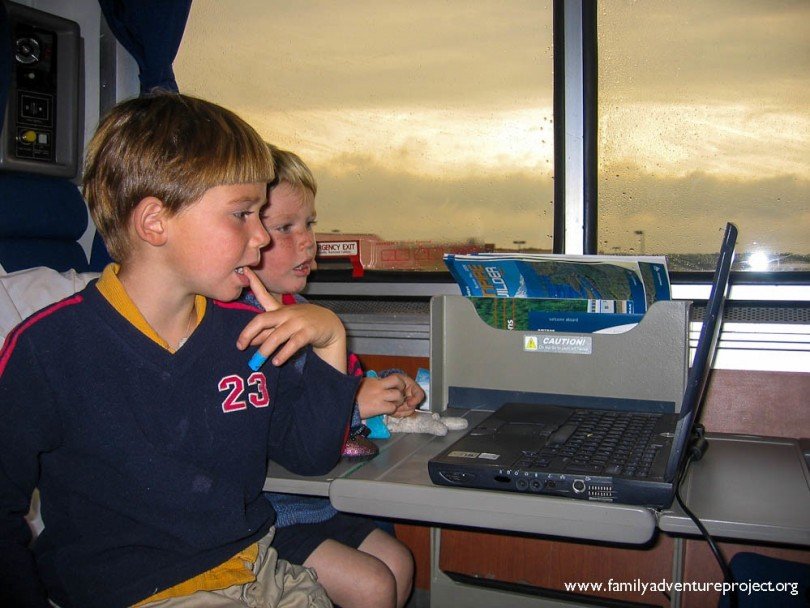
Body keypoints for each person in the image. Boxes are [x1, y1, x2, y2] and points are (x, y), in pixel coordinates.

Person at [0, 92, 361, 608]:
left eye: (261, 214)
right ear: (155, 223)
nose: (260, 237)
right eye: (242, 214)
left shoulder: (246, 331)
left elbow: (309, 456)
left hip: (259, 570)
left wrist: (330, 339)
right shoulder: (50, 349)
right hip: (142, 592)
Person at [244, 145, 421, 608]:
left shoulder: (305, 313)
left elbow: (346, 385)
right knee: (373, 584)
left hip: (316, 503)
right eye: (285, 228)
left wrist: (382, 393)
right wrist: (352, 405)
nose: (308, 241)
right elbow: (268, 424)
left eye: (310, 224)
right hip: (271, 511)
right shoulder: (244, 329)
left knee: (399, 562)